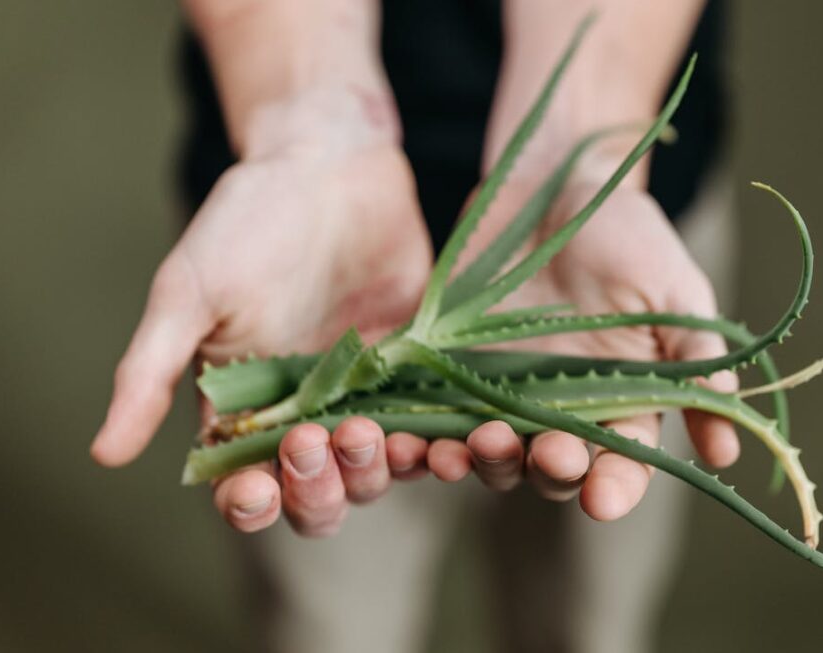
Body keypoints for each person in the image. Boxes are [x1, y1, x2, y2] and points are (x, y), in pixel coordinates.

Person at [93, 1, 734, 651]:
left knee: (584, 618)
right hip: (299, 257)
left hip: (601, 249)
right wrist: (303, 123)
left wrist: (584, 143)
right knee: (322, 620)